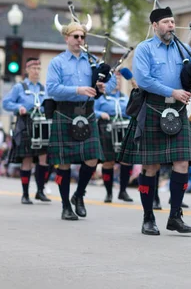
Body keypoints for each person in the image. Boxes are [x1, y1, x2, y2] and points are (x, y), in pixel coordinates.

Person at [118, 5, 191, 235]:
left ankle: (175, 216)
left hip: (177, 111)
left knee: (182, 163)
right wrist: (172, 92)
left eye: (172, 21)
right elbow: (143, 79)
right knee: (150, 166)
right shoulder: (145, 49)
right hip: (153, 108)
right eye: (166, 22)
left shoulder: (183, 49)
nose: (171, 25)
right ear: (155, 25)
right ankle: (148, 217)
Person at [47, 16, 116, 220]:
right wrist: (77, 89)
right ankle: (65, 205)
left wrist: (104, 87)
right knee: (65, 162)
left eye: (82, 36)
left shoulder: (93, 62)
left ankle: (79, 194)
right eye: (75, 36)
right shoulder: (57, 62)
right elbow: (52, 89)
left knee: (93, 158)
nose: (79, 39)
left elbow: (109, 83)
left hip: (87, 113)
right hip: (64, 112)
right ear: (66, 38)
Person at [2, 58, 51, 204]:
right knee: (27, 158)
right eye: (33, 68)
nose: (36, 71)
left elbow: (49, 104)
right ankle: (25, 194)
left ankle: (40, 191)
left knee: (44, 158)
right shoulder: (19, 87)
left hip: (41, 125)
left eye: (38, 68)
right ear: (27, 70)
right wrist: (19, 108)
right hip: (25, 124)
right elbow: (6, 102)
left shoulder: (44, 88)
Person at [94, 71, 133, 203]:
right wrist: (100, 114)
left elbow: (131, 111)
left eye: (118, 80)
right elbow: (92, 110)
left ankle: (123, 191)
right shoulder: (101, 97)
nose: (116, 83)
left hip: (123, 129)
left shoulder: (125, 97)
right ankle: (109, 192)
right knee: (108, 161)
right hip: (107, 129)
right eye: (113, 80)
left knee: (126, 160)